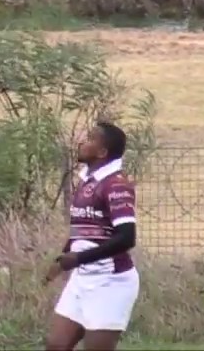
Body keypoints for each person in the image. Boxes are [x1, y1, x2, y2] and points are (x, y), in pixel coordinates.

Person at [43, 122, 138, 351]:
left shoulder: (116, 185)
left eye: (90, 139)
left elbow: (127, 237)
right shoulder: (88, 180)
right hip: (82, 279)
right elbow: (83, 228)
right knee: (56, 345)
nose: (82, 142)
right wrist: (65, 257)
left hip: (111, 283)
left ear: (102, 152)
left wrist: (78, 259)